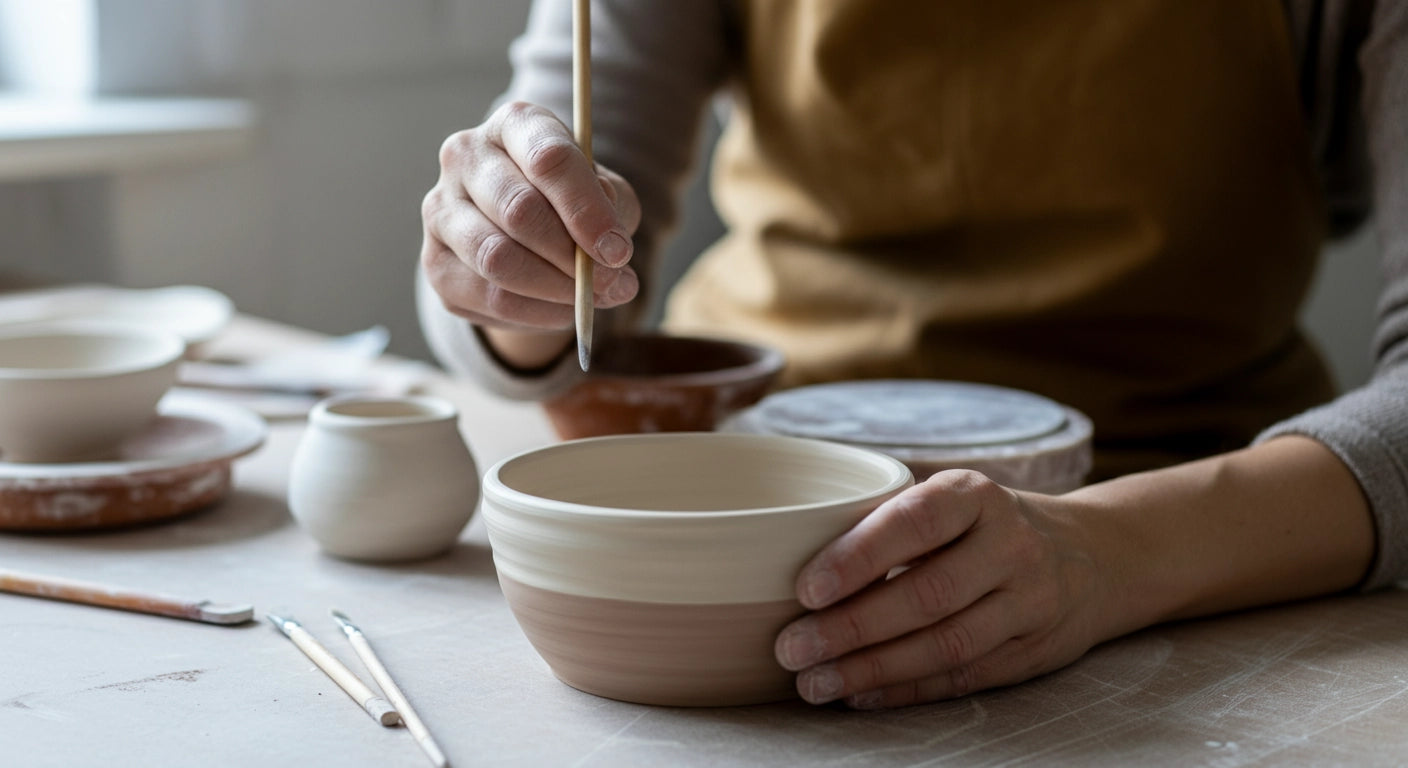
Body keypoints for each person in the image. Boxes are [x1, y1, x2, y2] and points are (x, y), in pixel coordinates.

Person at [418, 1, 1407, 709]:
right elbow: (538, 254)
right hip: (753, 497)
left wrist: (1110, 554)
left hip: (1204, 526)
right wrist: (512, 262)